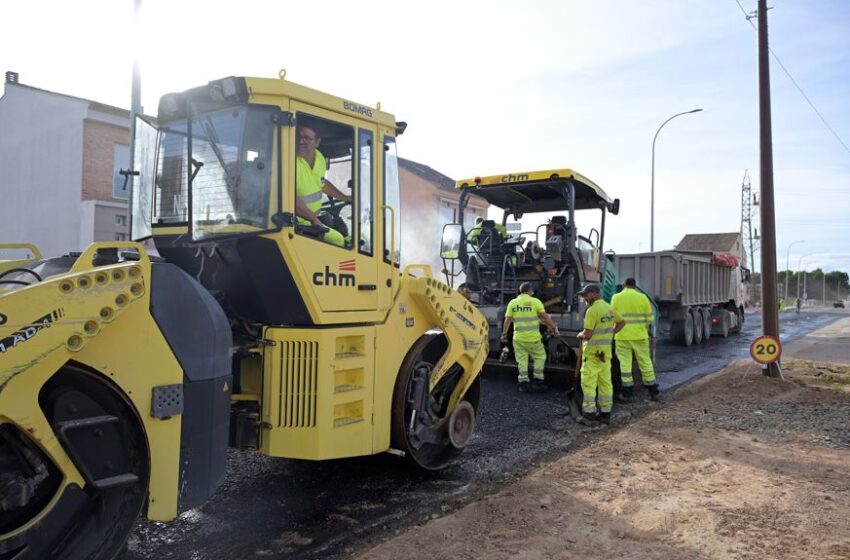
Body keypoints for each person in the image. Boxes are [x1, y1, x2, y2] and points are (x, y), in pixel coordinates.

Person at [295, 124, 351, 247]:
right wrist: (314, 220)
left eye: (306, 138)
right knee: (338, 240)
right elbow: (290, 197)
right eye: (299, 137)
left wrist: (345, 197)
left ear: (317, 142)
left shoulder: (319, 157)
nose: (301, 141)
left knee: (345, 233)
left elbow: (321, 183)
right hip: (297, 220)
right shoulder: (291, 161)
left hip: (311, 218)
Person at [576, 283, 625, 425]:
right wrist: (610, 333)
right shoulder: (609, 308)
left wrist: (580, 335)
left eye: (586, 295)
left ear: (594, 293)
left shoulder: (592, 311)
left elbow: (588, 334)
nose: (585, 298)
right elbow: (622, 322)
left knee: (589, 383)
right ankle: (605, 413)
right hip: (605, 354)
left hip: (592, 354)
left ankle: (589, 414)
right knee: (605, 383)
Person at [501, 282, 559, 393]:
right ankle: (538, 381)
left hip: (518, 339)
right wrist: (554, 329)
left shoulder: (513, 303)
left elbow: (507, 320)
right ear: (529, 291)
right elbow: (545, 318)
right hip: (533, 339)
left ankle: (523, 384)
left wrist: (504, 334)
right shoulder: (535, 302)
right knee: (540, 357)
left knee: (522, 361)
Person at [611, 278, 660, 402]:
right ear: (634, 286)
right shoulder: (643, 297)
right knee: (645, 362)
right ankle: (653, 391)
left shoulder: (616, 297)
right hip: (640, 336)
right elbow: (650, 319)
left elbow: (612, 317)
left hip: (622, 337)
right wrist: (640, 326)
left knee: (625, 364)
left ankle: (627, 393)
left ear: (624, 285)